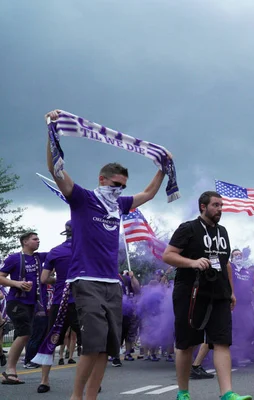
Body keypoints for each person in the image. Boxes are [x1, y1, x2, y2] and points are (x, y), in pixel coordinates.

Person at [45, 109, 168, 400]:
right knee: (93, 343)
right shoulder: (83, 199)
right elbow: (56, 171)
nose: (120, 190)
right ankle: (76, 396)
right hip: (85, 280)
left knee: (108, 346)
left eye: (123, 187)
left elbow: (148, 194)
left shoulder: (121, 204)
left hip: (112, 283)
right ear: (102, 180)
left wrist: (163, 167)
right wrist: (49, 131)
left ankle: (91, 396)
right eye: (115, 185)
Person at [162, 191, 251, 400]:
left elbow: (225, 263)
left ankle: (227, 393)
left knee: (222, 341)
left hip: (218, 294)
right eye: (215, 205)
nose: (220, 209)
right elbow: (168, 255)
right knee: (187, 343)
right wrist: (193, 262)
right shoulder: (188, 228)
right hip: (190, 293)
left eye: (221, 205)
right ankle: (183, 393)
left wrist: (231, 292)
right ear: (203, 206)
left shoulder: (223, 231)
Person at [0, 232, 47, 384]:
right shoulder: (14, 258)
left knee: (23, 334)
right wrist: (17, 283)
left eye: (38, 238)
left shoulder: (39, 257)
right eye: (35, 239)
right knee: (25, 333)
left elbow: (57, 254)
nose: (38, 241)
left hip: (32, 303)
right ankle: (9, 369)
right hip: (16, 301)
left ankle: (12, 370)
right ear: (25, 242)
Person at [37, 221, 81, 393]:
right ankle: (92, 381)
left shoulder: (55, 251)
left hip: (59, 300)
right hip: (82, 301)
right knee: (89, 343)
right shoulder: (86, 250)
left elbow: (44, 279)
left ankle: (44, 381)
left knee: (51, 340)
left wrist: (60, 280)